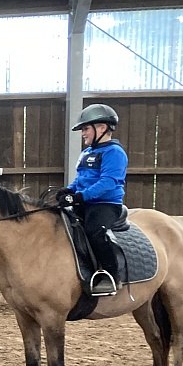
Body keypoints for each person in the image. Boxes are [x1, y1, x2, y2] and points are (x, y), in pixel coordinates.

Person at [56, 103, 128, 296]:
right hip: (84, 201)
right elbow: (81, 179)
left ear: (102, 128)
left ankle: (110, 275)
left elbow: (108, 182)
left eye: (86, 128)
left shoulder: (114, 153)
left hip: (105, 204)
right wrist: (68, 190)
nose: (83, 133)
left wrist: (79, 196)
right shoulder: (87, 152)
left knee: (94, 231)